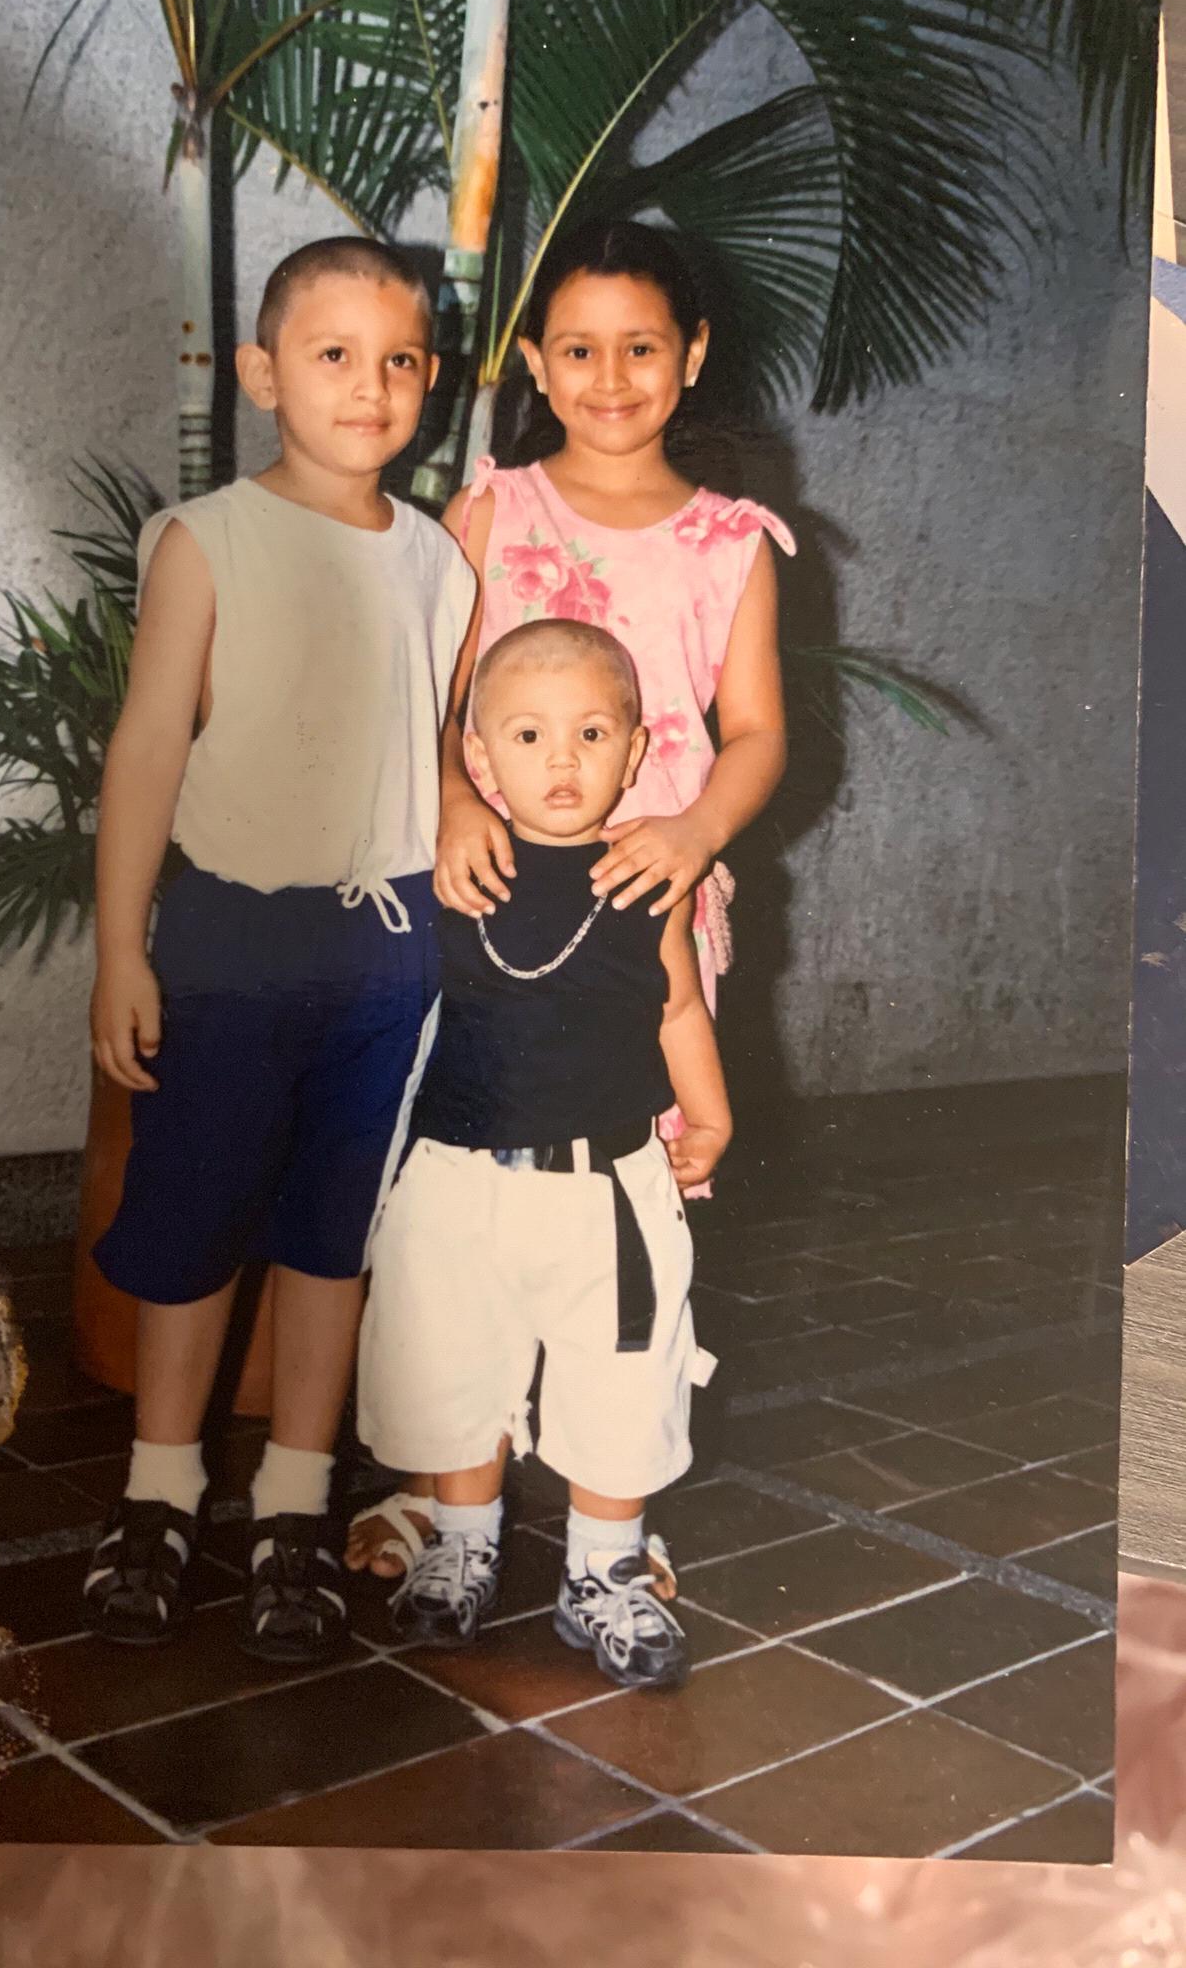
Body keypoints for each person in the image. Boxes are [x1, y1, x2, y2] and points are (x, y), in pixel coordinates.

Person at [345, 215, 795, 1581]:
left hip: (639, 907)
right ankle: (444, 1484)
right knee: (464, 1201)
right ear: (536, 361)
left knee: (623, 1205)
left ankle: (614, 1494)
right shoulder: (493, 511)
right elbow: (423, 690)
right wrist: (456, 799)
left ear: (694, 354)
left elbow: (760, 730)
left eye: (644, 347)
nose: (612, 377)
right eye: (582, 349)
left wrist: (695, 826)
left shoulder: (733, 544)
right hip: (486, 917)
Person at [81, 237, 475, 1663]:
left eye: (399, 360)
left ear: (430, 379)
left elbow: (433, 746)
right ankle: (161, 1491)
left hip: (387, 950)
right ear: (260, 373)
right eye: (331, 354)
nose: (369, 386)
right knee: (192, 1230)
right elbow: (143, 752)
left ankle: (294, 1507)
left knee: (331, 1239)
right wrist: (124, 949)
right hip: (234, 938)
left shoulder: (437, 558)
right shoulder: (209, 538)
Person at [356, 619, 729, 1688]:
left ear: (636, 745)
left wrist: (707, 1114)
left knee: (623, 1376)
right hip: (458, 1182)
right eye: (526, 733)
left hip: (606, 1184)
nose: (560, 760)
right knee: (450, 1361)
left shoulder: (645, 875)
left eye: (590, 732)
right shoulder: (456, 866)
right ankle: (464, 1540)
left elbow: (677, 1004)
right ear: (480, 755)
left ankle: (604, 1566)